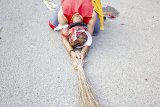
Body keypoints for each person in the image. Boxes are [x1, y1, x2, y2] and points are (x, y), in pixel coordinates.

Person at [49, 0, 105, 69]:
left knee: (95, 31)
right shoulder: (62, 14)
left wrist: (84, 52)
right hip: (67, 4)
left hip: (86, 5)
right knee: (52, 24)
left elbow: (89, 36)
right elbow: (63, 37)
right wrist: (71, 52)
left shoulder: (91, 15)